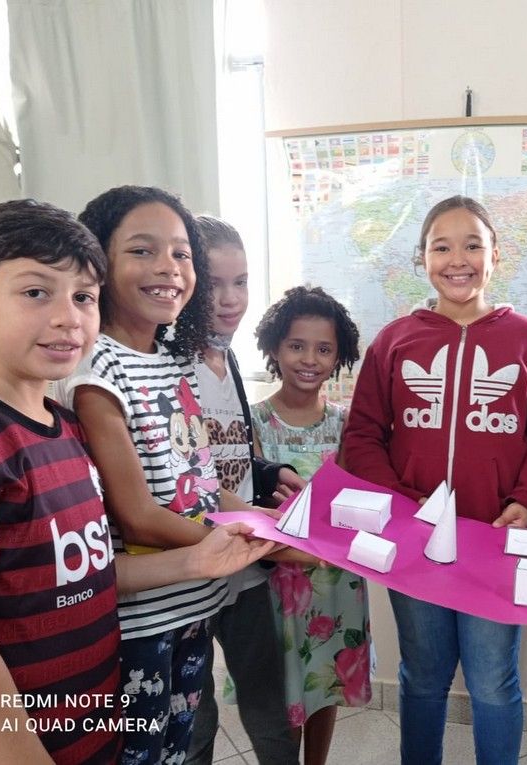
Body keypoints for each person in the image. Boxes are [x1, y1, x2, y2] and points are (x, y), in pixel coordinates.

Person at [0, 200, 275, 764]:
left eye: (83, 296)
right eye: (36, 292)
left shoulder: (64, 429)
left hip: (90, 725)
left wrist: (199, 559)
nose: (68, 318)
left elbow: (89, 572)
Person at [55, 186, 308, 764]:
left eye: (180, 253)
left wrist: (270, 522)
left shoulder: (174, 361)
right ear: (99, 261)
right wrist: (255, 543)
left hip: (195, 603)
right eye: (142, 251)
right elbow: (137, 516)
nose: (168, 268)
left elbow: (202, 485)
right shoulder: (97, 366)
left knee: (179, 748)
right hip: (142, 620)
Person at [342, 195, 527, 764]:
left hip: (493, 541)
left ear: (496, 255)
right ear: (422, 257)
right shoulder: (394, 341)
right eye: (442, 246)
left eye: (472, 245)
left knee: (493, 681)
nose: (457, 259)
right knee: (422, 675)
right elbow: (363, 435)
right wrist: (400, 504)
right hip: (416, 543)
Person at [186, 216, 301, 765]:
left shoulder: (228, 356)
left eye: (242, 282)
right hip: (189, 561)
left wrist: (270, 471)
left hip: (246, 564)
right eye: (214, 284)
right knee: (195, 719)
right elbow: (184, 476)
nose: (231, 300)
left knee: (269, 706)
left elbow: (228, 452)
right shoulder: (168, 365)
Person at [252, 284, 369, 765]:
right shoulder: (253, 422)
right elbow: (247, 499)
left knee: (326, 681)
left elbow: (360, 500)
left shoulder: (348, 424)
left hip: (336, 582)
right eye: (297, 345)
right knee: (281, 691)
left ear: (339, 357)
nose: (309, 359)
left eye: (324, 349)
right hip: (274, 583)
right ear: (275, 348)